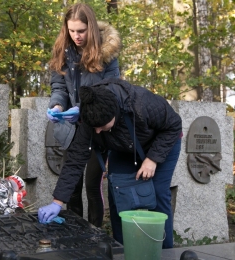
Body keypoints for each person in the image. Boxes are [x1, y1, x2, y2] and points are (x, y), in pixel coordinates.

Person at [39, 79, 182, 249]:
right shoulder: (90, 119)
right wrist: (57, 202)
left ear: (114, 113)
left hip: (161, 143)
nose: (97, 131)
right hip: (123, 147)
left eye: (101, 126)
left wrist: (152, 160)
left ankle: (164, 251)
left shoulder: (142, 103)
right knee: (118, 194)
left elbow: (174, 125)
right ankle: (121, 248)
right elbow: (75, 162)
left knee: (158, 193)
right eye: (95, 128)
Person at [46, 3, 121, 227]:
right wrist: (57, 107)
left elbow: (113, 91)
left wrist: (83, 108)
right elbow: (58, 87)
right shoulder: (62, 52)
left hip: (97, 128)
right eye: (72, 31)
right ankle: (75, 234)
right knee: (72, 185)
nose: (76, 36)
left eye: (81, 31)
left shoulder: (107, 54)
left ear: (91, 27)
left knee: (92, 185)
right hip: (71, 129)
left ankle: (95, 235)